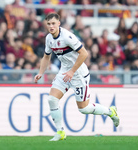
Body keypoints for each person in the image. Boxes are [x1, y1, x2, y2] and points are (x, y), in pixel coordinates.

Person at [34, 13, 120, 141]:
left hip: (78, 74)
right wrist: (41, 72)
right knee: (52, 99)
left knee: (84, 109)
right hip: (64, 72)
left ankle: (110, 111)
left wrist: (72, 71)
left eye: (53, 23)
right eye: (48, 24)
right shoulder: (48, 39)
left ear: (59, 24)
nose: (51, 26)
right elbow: (46, 56)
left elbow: (84, 53)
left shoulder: (67, 36)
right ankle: (60, 132)